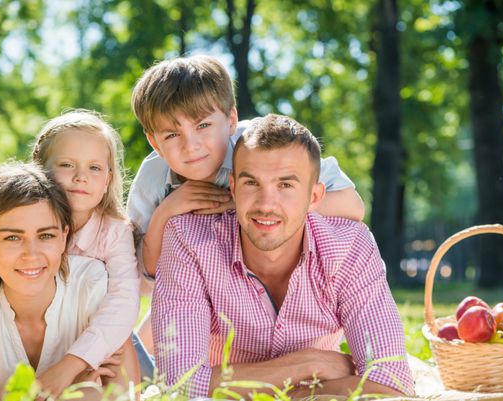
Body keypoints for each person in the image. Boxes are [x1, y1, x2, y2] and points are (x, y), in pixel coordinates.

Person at [151, 114, 414, 398]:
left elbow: (392, 383)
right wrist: (310, 363)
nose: (266, 204)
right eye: (252, 183)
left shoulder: (349, 246)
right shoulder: (188, 239)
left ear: (314, 197)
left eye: (286, 185)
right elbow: (180, 385)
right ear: (234, 187)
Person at [0, 110, 143, 396]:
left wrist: (74, 364)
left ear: (63, 236)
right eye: (66, 164)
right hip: (24, 353)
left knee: (113, 354)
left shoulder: (109, 240)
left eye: (46, 235)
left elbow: (122, 305)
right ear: (41, 169)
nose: (80, 178)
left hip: (99, 332)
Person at [128, 55, 365, 280]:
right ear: (154, 142)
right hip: (199, 283)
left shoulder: (264, 145)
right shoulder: (153, 177)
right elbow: (146, 270)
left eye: (203, 125)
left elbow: (352, 206)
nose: (190, 146)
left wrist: (240, 204)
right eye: (171, 134)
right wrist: (166, 212)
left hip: (286, 274)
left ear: (231, 120)